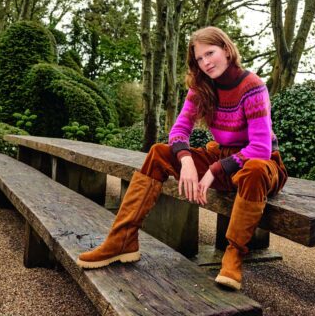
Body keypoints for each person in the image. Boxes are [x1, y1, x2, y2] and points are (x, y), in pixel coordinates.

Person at [76, 26, 287, 290]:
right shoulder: (201, 88)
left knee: (254, 168)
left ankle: (234, 254)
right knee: (159, 153)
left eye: (210, 53)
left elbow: (260, 148)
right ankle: (122, 239)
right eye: (199, 58)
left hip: (262, 167)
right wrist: (186, 159)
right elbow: (178, 130)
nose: (205, 62)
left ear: (227, 50)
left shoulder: (252, 86)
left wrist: (213, 170)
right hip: (223, 157)